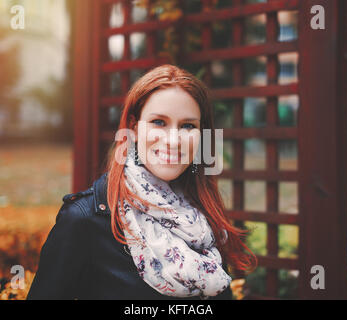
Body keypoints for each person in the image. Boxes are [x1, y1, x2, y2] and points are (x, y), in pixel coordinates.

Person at [27, 64, 257, 300]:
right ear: (134, 129)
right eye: (159, 122)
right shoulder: (85, 221)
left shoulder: (203, 219)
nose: (173, 140)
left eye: (188, 125)